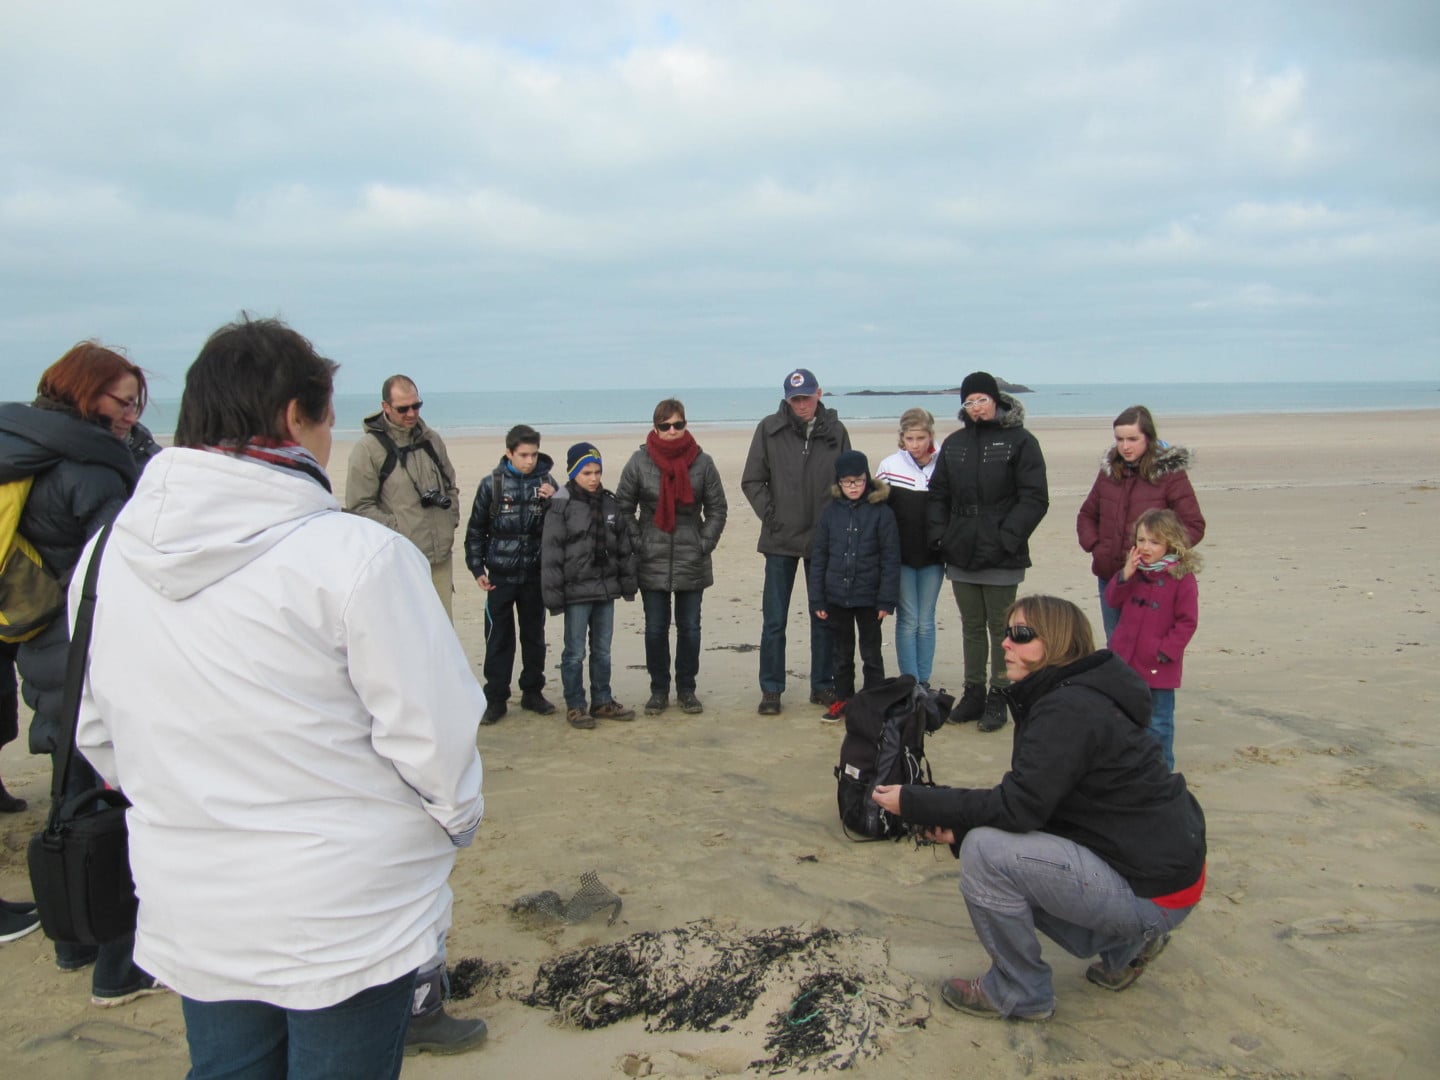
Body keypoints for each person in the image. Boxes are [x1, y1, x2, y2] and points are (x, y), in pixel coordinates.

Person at [74, 317, 487, 1075]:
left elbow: (98, 736)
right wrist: (450, 825)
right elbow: (436, 741)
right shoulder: (357, 558)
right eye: (326, 416)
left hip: (193, 894)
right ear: (297, 417)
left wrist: (186, 808)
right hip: (344, 911)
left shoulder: (106, 555)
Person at [872, 595, 1206, 1022]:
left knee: (986, 854)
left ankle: (1020, 992)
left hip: (1155, 888)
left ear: (1057, 642)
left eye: (1021, 635)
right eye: (1007, 632)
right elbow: (1044, 805)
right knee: (984, 841)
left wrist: (916, 799)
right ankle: (1128, 947)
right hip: (1165, 873)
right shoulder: (1077, 694)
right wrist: (958, 829)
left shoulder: (1069, 708)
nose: (1006, 643)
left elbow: (1019, 808)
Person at [0, 341, 152, 1005]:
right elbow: (119, 573)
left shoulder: (21, 446)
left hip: (36, 640)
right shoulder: (91, 467)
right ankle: (118, 966)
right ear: (86, 392)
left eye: (137, 403)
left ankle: (72, 938)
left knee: (67, 793)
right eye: (122, 400)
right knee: (110, 799)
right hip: (90, 649)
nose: (130, 414)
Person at [928, 372, 1048, 732]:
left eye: (982, 399)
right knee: (971, 627)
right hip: (961, 550)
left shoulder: (1020, 442)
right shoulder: (955, 444)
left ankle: (1000, 694)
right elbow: (938, 495)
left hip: (1002, 554)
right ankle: (974, 692)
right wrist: (942, 537)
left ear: (996, 400)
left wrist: (1005, 538)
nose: (976, 407)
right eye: (969, 402)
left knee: (1002, 629)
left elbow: (1034, 498)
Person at [741, 368, 851, 716]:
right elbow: (752, 480)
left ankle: (823, 684)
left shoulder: (836, 431)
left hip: (823, 540)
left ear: (819, 393)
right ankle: (771, 688)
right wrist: (772, 516)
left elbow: (849, 481)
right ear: (787, 398)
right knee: (774, 619)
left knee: (823, 616)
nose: (801, 404)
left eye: (806, 397)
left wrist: (838, 524)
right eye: (795, 398)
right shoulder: (768, 429)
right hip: (779, 539)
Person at [615, 400, 728, 716]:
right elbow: (624, 506)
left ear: (685, 425)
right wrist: (640, 542)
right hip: (652, 555)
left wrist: (703, 542)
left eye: (678, 424)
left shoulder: (702, 463)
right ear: (655, 428)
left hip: (692, 554)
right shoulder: (639, 462)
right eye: (665, 426)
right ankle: (659, 690)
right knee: (655, 628)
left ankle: (687, 689)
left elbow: (717, 508)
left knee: (690, 627)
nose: (672, 431)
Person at [1076, 405, 1205, 643]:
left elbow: (1194, 525)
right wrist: (1097, 547)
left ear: (1148, 438)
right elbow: (1086, 515)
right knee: (1116, 643)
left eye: (1132, 439)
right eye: (1119, 439)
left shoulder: (1169, 475)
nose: (1125, 446)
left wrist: (1160, 554)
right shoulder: (1109, 472)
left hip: (1152, 579)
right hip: (1111, 575)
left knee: (1147, 645)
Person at [464, 424, 558, 725]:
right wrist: (477, 568)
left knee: (534, 638)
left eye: (533, 454)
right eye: (523, 455)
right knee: (498, 640)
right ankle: (495, 699)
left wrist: (554, 500)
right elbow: (475, 530)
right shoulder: (492, 484)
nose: (529, 461)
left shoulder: (548, 481)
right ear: (509, 453)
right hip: (500, 577)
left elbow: (565, 522)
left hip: (534, 575)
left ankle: (532, 692)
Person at [345, 376, 462, 618]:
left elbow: (451, 486)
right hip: (398, 564)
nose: (411, 413)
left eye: (416, 406)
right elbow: (359, 507)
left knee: (442, 637)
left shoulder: (432, 440)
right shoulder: (368, 449)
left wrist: (449, 519)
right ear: (385, 407)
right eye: (403, 408)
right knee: (407, 638)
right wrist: (399, 532)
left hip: (440, 559)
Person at [541, 443, 638, 729]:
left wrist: (627, 583)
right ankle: (575, 704)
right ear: (573, 473)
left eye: (597, 471)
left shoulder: (610, 503)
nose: (593, 477)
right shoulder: (561, 504)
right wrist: (554, 596)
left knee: (603, 650)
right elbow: (552, 553)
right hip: (575, 591)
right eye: (586, 472)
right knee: (574, 652)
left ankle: (602, 700)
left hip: (605, 589)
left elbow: (623, 547)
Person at [1105, 509, 1201, 770]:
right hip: (1125, 660)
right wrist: (1125, 573)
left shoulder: (1181, 577)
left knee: (1159, 721)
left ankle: (1161, 772)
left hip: (1158, 663)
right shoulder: (1134, 571)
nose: (1145, 547)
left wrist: (1165, 651)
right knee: (1123, 717)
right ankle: (1127, 768)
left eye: (1154, 542)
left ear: (1170, 543)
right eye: (1141, 540)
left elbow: (1187, 621)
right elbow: (1112, 600)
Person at [808, 450, 900, 720]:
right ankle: (843, 699)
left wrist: (886, 600)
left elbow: (891, 559)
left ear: (867, 479)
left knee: (871, 654)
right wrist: (818, 600)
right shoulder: (829, 514)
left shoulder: (882, 513)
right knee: (841, 654)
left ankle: (873, 702)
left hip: (870, 598)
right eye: (848, 482)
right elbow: (820, 558)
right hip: (836, 597)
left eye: (858, 481)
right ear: (839, 482)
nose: (853, 487)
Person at [874, 408, 944, 687]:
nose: (915, 444)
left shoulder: (943, 465)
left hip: (933, 556)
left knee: (926, 619)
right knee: (908, 618)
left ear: (930, 436)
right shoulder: (890, 466)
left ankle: (923, 680)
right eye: (910, 438)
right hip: (900, 556)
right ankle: (910, 680)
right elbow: (876, 511)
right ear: (901, 438)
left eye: (921, 437)